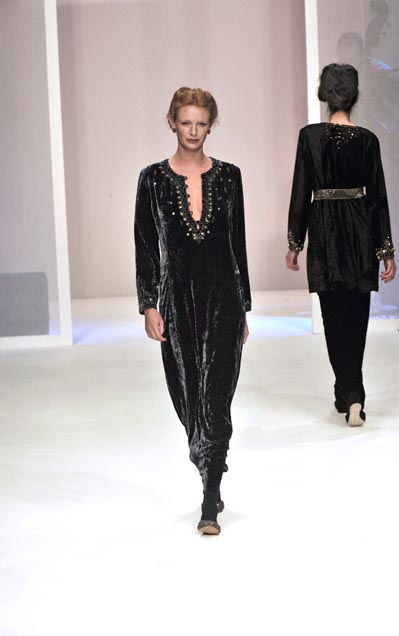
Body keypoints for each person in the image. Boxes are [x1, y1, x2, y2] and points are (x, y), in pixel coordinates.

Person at [134, 87, 251, 534]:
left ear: (211, 125)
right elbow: (146, 245)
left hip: (223, 297)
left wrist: (244, 306)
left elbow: (237, 243)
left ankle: (209, 495)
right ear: (172, 122)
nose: (194, 131)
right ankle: (208, 465)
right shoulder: (152, 179)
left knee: (216, 397)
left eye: (201, 123)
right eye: (186, 122)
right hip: (177, 300)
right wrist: (149, 304)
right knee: (188, 395)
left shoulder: (230, 177)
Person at [286, 63, 396, 427]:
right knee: (356, 317)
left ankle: (351, 393)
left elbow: (301, 191)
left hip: (325, 233)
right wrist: (386, 251)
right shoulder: (368, 139)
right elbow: (377, 198)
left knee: (333, 319)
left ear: (324, 94)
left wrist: (295, 242)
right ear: (356, 95)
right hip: (360, 231)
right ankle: (349, 392)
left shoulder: (309, 137)